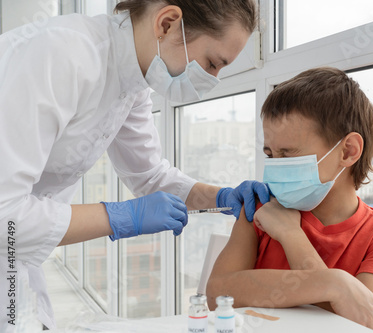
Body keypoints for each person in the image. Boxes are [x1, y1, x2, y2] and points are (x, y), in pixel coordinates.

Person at [0, 0, 269, 331]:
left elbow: (150, 176)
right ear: (167, 23)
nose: (212, 79)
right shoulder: (62, 54)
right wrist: (121, 217)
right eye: (212, 63)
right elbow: (5, 213)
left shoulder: (132, 83)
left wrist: (222, 196)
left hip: (15, 257)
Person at [206, 67, 373, 333]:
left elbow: (358, 323)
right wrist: (335, 286)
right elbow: (217, 294)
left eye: (289, 155)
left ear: (348, 151)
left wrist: (291, 235)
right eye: (270, 155)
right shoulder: (261, 207)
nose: (275, 168)